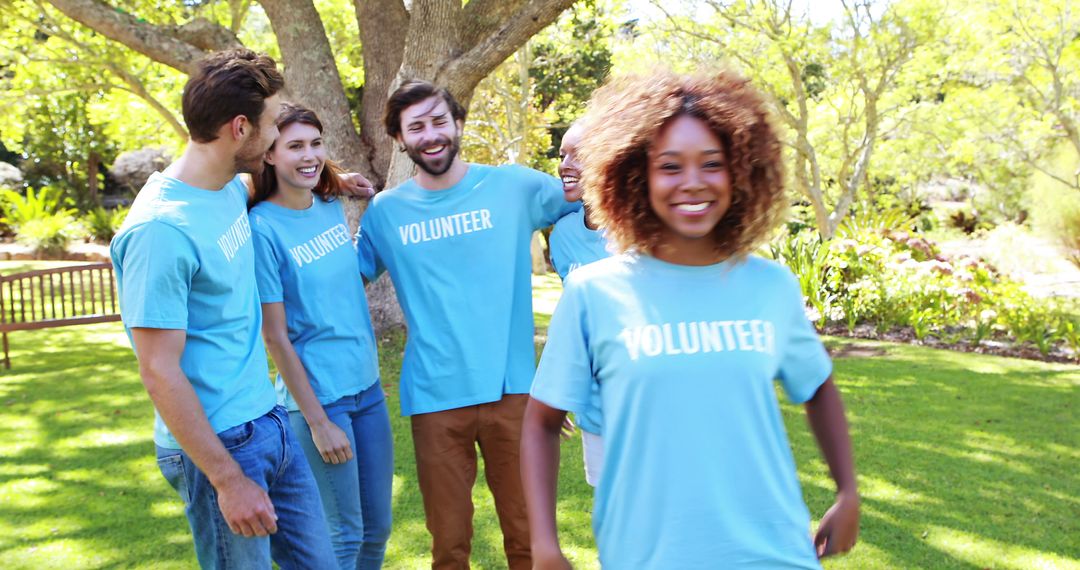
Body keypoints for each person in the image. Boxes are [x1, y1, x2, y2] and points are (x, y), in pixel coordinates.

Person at [521, 70, 860, 569]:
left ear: (740, 171)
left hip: (775, 554)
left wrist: (848, 490)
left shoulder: (770, 287)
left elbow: (817, 387)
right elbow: (541, 422)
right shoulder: (595, 293)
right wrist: (544, 544)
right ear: (638, 175)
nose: (693, 182)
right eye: (670, 166)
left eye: (712, 163)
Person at [110, 50, 338, 568]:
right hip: (219, 449)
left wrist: (338, 181)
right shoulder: (160, 232)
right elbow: (158, 369)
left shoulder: (229, 188)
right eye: (274, 126)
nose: (280, 138)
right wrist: (227, 480)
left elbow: (287, 181)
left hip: (268, 421)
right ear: (241, 129)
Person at [355, 79, 579, 570]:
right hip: (435, 396)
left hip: (514, 390)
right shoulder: (385, 213)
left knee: (530, 539)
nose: (430, 134)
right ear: (399, 139)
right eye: (416, 127)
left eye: (438, 121)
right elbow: (340, 282)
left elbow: (594, 202)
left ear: (458, 123)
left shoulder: (516, 187)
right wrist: (324, 189)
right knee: (449, 547)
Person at [248, 104, 393, 570]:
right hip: (320, 401)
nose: (308, 155)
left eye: (315, 143)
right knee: (344, 535)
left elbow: (347, 278)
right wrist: (317, 422)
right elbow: (274, 337)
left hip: (367, 389)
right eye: (294, 146)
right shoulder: (262, 229)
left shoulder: (329, 203)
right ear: (268, 155)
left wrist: (342, 178)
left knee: (377, 529)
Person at [547, 121, 610, 487]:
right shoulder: (564, 236)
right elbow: (573, 325)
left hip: (652, 407)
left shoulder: (641, 231)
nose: (565, 164)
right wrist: (561, 393)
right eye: (562, 155)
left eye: (579, 155)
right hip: (596, 410)